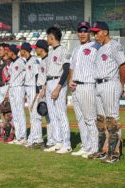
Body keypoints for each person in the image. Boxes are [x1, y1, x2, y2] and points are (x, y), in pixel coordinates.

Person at [88, 21, 125, 163]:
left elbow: (123, 67)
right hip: (98, 85)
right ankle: (103, 150)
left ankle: (114, 153)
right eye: (93, 32)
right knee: (100, 121)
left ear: (105, 32)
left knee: (112, 120)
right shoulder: (100, 48)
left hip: (110, 83)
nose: (95, 35)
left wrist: (121, 86)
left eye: (97, 32)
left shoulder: (115, 45)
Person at [68, 22, 99, 158]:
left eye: (85, 31)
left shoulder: (96, 46)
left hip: (88, 85)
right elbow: (71, 67)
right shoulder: (75, 50)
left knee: (90, 118)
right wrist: (70, 79)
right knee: (80, 119)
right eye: (80, 31)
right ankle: (86, 146)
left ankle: (94, 147)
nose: (82, 33)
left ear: (90, 33)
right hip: (76, 86)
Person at [43, 26, 72, 154]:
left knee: (61, 114)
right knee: (53, 115)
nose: (47, 39)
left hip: (58, 82)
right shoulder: (50, 52)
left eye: (48, 36)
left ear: (51, 37)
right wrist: (45, 87)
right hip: (49, 82)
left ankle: (67, 144)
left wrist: (58, 87)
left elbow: (66, 70)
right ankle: (57, 141)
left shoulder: (63, 50)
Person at [19, 42, 43, 148]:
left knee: (35, 115)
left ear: (25, 51)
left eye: (21, 50)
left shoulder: (34, 61)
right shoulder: (27, 61)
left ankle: (37, 139)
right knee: (32, 115)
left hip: (34, 88)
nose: (20, 51)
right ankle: (35, 138)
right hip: (28, 88)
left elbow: (38, 75)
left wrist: (38, 91)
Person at [34, 39, 54, 148]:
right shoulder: (42, 60)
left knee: (49, 117)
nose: (35, 49)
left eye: (36, 48)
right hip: (41, 90)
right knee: (40, 115)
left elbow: (49, 77)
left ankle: (51, 141)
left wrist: (44, 90)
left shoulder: (48, 60)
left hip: (46, 90)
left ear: (42, 49)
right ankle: (40, 140)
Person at [7, 44, 27, 145]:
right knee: (15, 113)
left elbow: (27, 73)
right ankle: (18, 136)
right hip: (12, 88)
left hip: (19, 87)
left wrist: (27, 91)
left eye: (9, 51)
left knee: (20, 112)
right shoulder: (11, 63)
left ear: (13, 52)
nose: (7, 52)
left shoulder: (21, 61)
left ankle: (23, 137)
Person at [0, 43, 12, 142]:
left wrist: (8, 94)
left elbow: (11, 78)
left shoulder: (10, 61)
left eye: (0, 49)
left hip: (7, 87)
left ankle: (9, 135)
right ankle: (0, 133)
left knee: (7, 113)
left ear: (5, 50)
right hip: (0, 88)